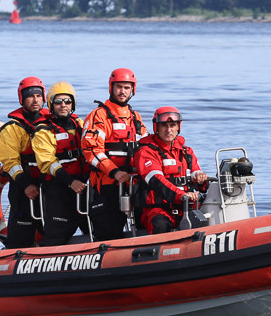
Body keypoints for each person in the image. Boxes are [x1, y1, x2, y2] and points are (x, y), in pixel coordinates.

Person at [80, 68, 146, 240]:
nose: (122, 91)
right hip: (107, 186)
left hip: (134, 185)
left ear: (133, 89)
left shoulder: (136, 117)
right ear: (111, 87)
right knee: (108, 236)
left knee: (145, 228)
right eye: (118, 87)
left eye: (126, 87)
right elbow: (91, 151)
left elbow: (147, 150)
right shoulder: (98, 116)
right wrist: (115, 172)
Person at [132, 106, 209, 234]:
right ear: (156, 127)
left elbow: (196, 171)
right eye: (164, 126)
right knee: (160, 225)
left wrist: (201, 180)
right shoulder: (145, 152)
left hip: (186, 207)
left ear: (178, 127)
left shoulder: (186, 151)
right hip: (157, 209)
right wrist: (181, 196)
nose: (169, 130)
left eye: (172, 125)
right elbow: (156, 181)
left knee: (208, 218)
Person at [33, 81, 89, 246]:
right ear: (51, 104)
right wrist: (70, 182)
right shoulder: (43, 131)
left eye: (67, 101)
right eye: (58, 102)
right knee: (57, 234)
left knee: (96, 229)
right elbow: (47, 162)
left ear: (73, 104)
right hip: (59, 188)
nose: (63, 105)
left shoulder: (79, 124)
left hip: (84, 187)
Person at [0, 77, 48, 248]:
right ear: (22, 98)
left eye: (38, 96)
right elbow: (11, 163)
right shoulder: (11, 129)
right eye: (30, 96)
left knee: (54, 232)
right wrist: (26, 186)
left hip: (49, 186)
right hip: (23, 188)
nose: (35, 100)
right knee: (19, 238)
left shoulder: (52, 123)